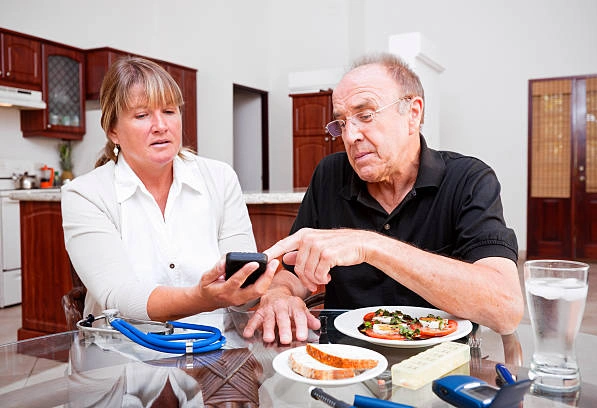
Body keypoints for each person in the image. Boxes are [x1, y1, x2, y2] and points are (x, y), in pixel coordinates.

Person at [244, 52, 523, 344]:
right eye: (341, 123)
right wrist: (280, 294)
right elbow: (291, 272)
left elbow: (505, 309)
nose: (350, 136)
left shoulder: (468, 179)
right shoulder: (330, 175)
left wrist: (370, 245)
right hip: (348, 364)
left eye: (365, 115)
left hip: (440, 364)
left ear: (413, 114)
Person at [62, 57, 279, 322]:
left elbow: (243, 290)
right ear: (113, 131)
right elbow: (119, 298)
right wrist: (202, 298)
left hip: (216, 347)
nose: (161, 126)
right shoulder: (85, 195)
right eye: (142, 115)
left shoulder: (220, 178)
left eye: (169, 111)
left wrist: (270, 287)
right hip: (125, 352)